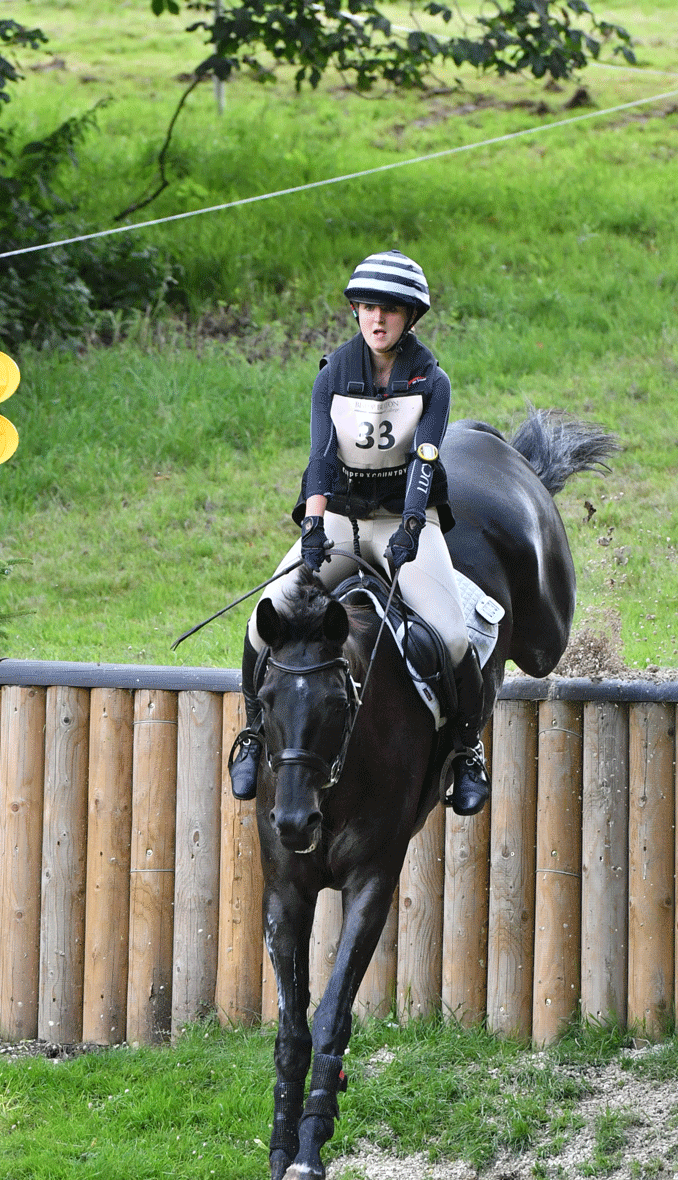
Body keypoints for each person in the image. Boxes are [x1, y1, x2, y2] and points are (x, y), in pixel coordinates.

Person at [229, 249, 490, 816]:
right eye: (368, 308)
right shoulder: (333, 375)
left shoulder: (431, 379)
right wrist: (316, 523)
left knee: (451, 636)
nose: (378, 319)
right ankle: (251, 732)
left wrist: (414, 524)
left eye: (391, 310)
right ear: (356, 312)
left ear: (410, 318)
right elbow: (321, 456)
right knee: (262, 620)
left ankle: (468, 750)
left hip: (403, 522)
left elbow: (425, 456)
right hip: (342, 522)